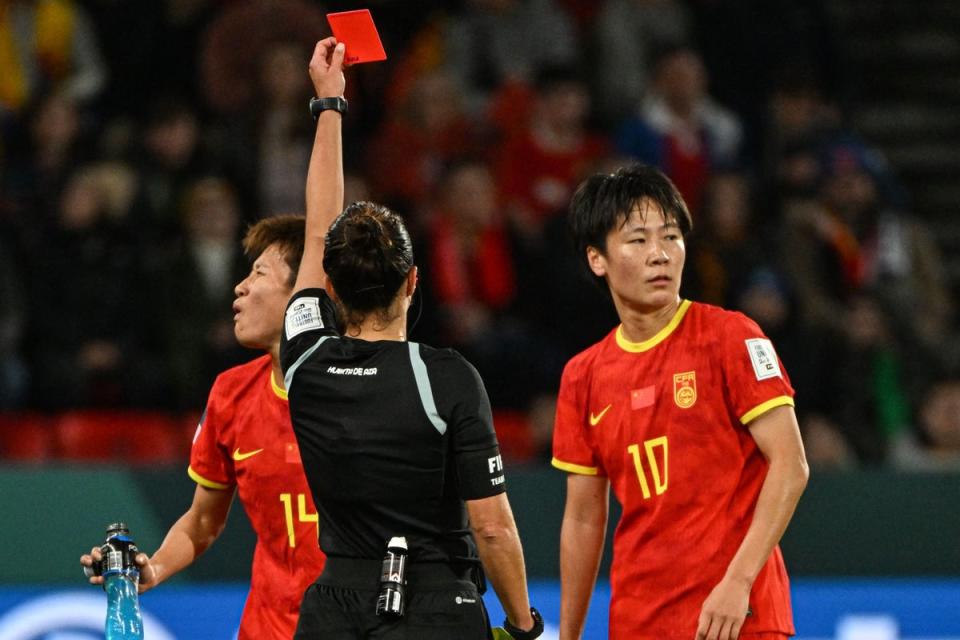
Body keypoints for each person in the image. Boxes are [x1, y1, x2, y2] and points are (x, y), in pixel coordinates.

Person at [279, 38, 542, 640]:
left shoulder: (305, 356)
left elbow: (320, 225)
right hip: (435, 606)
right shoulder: (446, 376)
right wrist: (523, 624)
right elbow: (493, 526)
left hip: (331, 611)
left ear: (331, 292)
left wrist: (328, 103)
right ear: (413, 282)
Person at [552, 164, 809, 639]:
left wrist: (739, 581)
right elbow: (584, 517)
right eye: (638, 240)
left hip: (738, 617)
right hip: (637, 621)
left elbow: (791, 465)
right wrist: (569, 634)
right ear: (597, 259)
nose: (660, 255)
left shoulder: (731, 336)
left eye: (670, 237)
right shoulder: (582, 376)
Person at [81, 214, 326, 640]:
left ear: (302, 293)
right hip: (267, 630)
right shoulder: (231, 394)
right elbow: (201, 522)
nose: (240, 287)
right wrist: (151, 570)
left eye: (259, 273)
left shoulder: (365, 389)